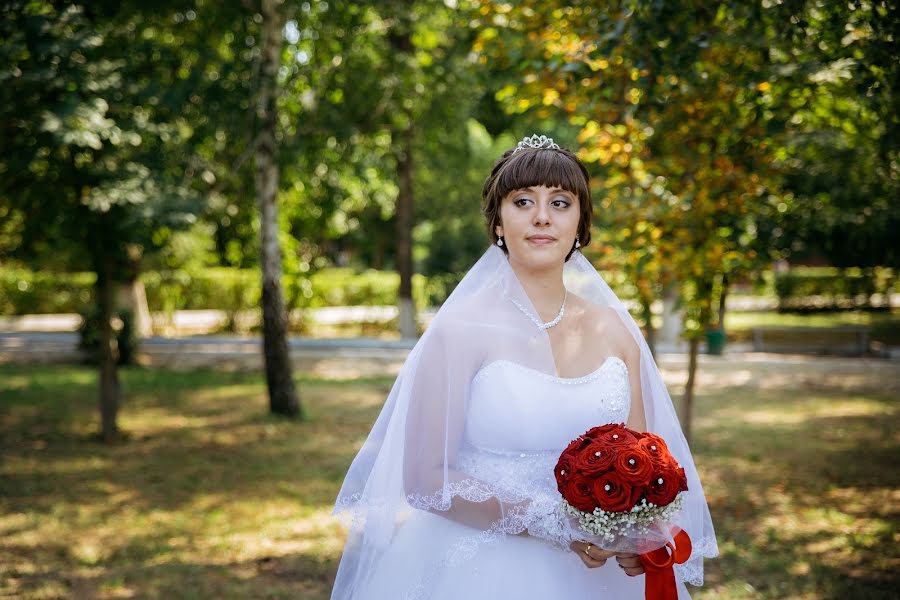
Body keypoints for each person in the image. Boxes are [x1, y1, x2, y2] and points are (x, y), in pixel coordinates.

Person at [330, 135, 717, 599]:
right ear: (497, 220)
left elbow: (642, 462)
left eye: (560, 202)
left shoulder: (616, 331)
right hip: (480, 568)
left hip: (602, 577)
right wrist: (555, 525)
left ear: (581, 222)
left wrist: (636, 537)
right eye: (522, 201)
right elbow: (425, 478)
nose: (542, 216)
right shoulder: (457, 332)